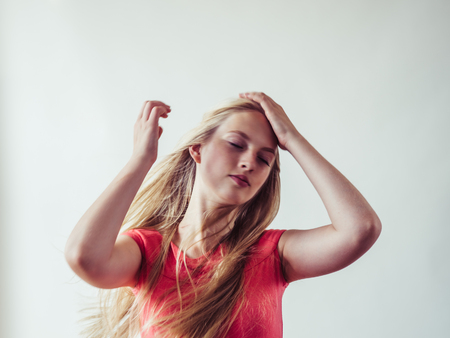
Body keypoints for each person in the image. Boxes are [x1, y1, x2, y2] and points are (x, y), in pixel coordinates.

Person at [65, 92, 382, 338]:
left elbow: (360, 229)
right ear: (198, 149)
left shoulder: (271, 255)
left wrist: (292, 139)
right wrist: (141, 159)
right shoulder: (148, 251)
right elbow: (84, 257)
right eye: (235, 144)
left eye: (264, 158)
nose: (248, 162)